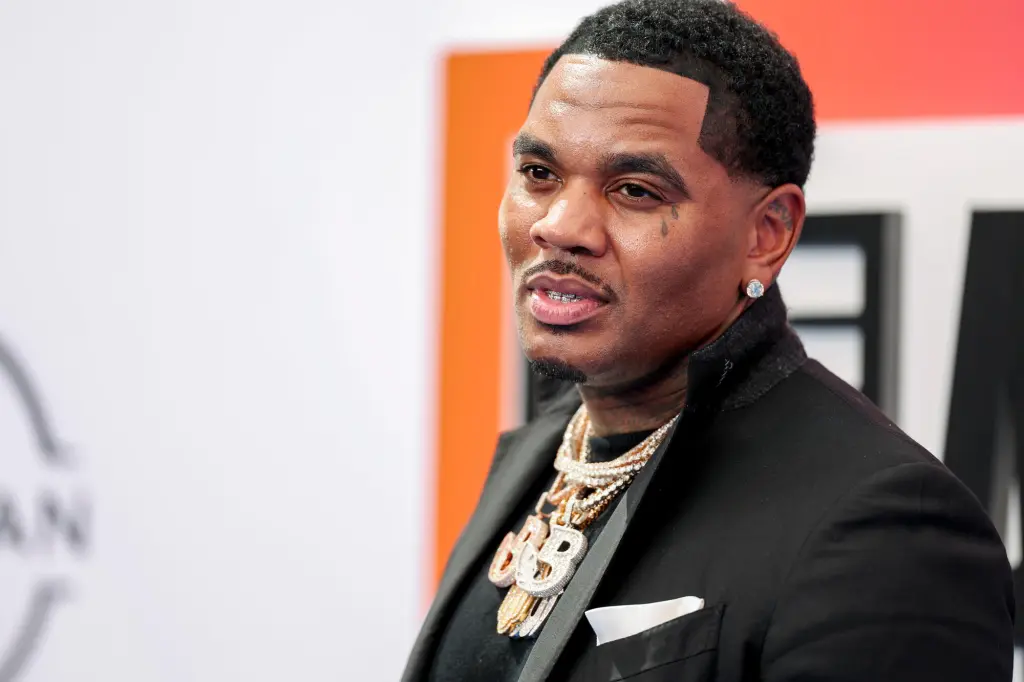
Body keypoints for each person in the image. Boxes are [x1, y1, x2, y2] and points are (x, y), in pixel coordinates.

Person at [402, 0, 1015, 680]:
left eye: (634, 190)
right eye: (539, 174)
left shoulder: (886, 533)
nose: (560, 226)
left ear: (766, 234)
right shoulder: (539, 452)